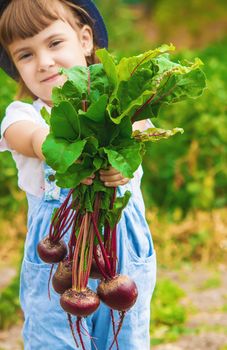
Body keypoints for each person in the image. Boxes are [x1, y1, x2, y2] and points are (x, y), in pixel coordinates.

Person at [0, 1, 156, 349]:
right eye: (25, 55)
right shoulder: (25, 115)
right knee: (54, 340)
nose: (44, 62)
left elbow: (142, 129)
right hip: (59, 270)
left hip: (123, 263)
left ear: (85, 40)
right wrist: (59, 147)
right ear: (16, 68)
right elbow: (27, 137)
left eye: (54, 44)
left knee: (125, 339)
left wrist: (123, 160)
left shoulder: (120, 107)